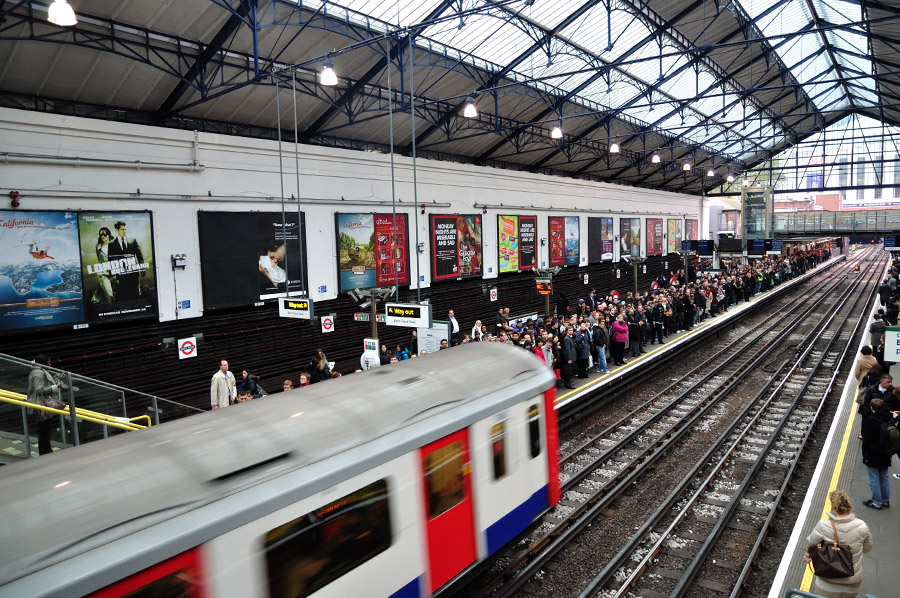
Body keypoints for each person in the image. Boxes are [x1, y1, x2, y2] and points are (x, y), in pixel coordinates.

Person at [803, 490, 872, 597]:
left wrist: (808, 555)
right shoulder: (861, 526)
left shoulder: (823, 525)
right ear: (849, 505)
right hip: (852, 581)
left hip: (827, 580)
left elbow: (812, 544)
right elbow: (867, 548)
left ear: (834, 507)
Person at [27, 354, 64, 455]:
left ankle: (46, 450)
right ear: (44, 363)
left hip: (41, 404)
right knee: (44, 429)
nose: (50, 364)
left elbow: (43, 384)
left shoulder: (38, 371)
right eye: (49, 362)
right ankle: (45, 451)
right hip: (40, 405)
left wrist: (54, 379)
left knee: (45, 428)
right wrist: (56, 387)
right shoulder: (38, 373)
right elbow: (39, 390)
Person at [861, 398, 892, 509]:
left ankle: (876, 502)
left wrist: (864, 453)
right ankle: (885, 500)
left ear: (872, 407)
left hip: (873, 453)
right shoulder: (888, 417)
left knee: (873, 478)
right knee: (884, 477)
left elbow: (867, 439)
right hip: (886, 452)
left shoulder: (870, 420)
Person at [107, 220, 145, 300]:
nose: (124, 231)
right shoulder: (111, 244)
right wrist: (112, 273)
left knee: (135, 295)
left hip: (133, 273)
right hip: (121, 275)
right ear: (117, 230)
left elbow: (139, 255)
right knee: (123, 296)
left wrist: (142, 268)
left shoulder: (133, 241)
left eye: (125, 229)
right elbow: (110, 260)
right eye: (122, 229)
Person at [91, 227, 114, 305]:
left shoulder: (114, 245)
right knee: (110, 295)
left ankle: (96, 300)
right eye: (101, 235)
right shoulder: (98, 247)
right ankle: (111, 310)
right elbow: (100, 259)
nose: (102, 236)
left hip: (114, 272)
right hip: (103, 273)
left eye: (104, 234)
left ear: (108, 235)